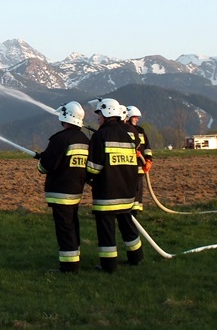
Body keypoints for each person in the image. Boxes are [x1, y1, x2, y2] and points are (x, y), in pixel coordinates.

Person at [86, 98, 144, 273]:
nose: (97, 118)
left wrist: (86, 177)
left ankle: (108, 265)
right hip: (126, 193)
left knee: (106, 230)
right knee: (128, 225)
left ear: (106, 113)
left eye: (99, 114)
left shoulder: (100, 136)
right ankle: (136, 257)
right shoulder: (127, 135)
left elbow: (94, 168)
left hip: (107, 194)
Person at [35, 101, 89, 274]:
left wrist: (41, 162)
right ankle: (75, 256)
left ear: (65, 117)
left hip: (60, 192)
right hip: (76, 191)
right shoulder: (84, 140)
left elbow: (46, 167)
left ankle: (69, 266)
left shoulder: (60, 139)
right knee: (73, 224)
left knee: (64, 228)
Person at [125, 105, 153, 215]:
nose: (137, 119)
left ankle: (136, 211)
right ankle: (129, 210)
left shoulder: (141, 130)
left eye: (138, 117)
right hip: (129, 166)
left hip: (140, 166)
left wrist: (149, 160)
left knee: (138, 189)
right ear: (128, 117)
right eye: (135, 117)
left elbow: (147, 147)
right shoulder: (124, 130)